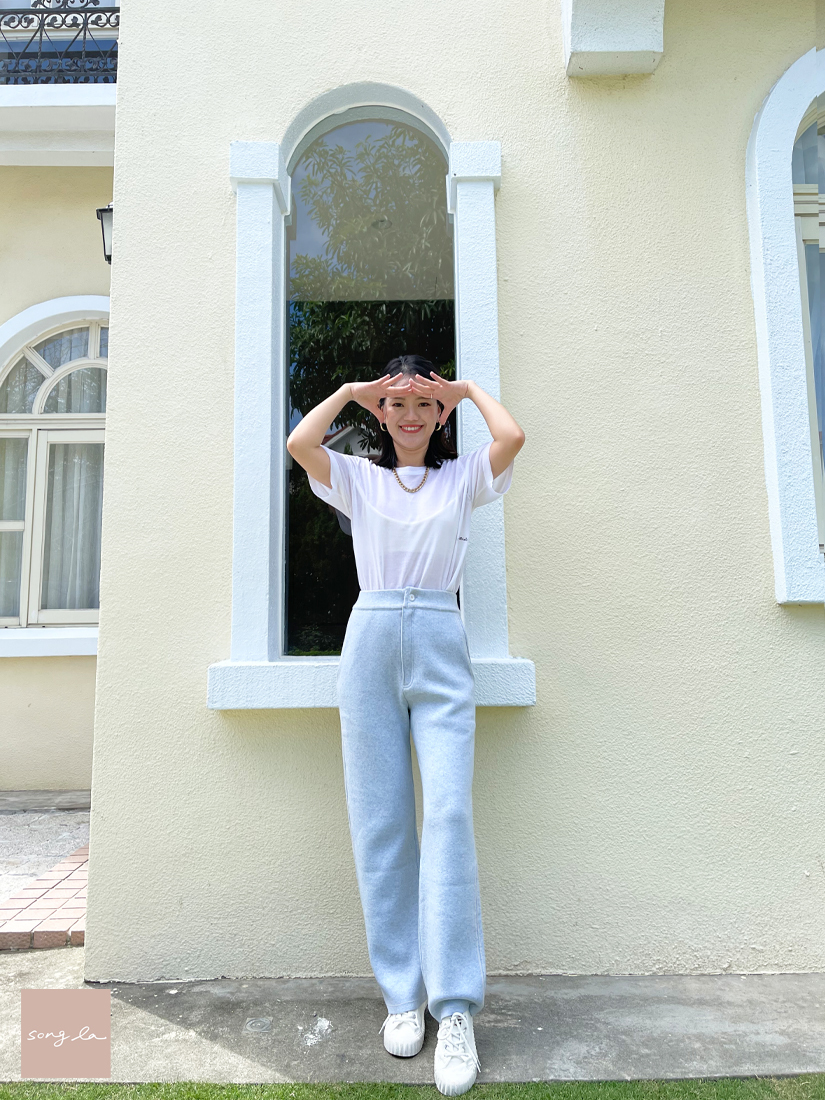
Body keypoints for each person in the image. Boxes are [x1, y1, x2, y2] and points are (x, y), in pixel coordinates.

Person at [286, 354, 525, 1096]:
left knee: (448, 813)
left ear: (439, 414)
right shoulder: (358, 478)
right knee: (381, 819)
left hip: (441, 638)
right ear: (381, 416)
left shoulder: (462, 478)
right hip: (372, 637)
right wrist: (353, 391)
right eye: (397, 404)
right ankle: (402, 995)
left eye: (423, 403)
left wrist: (465, 389)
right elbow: (300, 442)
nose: (411, 415)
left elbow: (513, 437)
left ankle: (454, 1010)